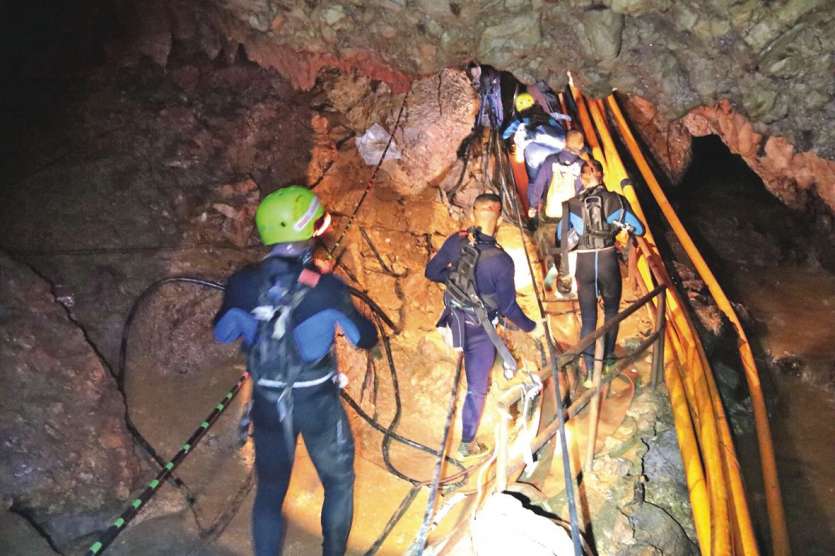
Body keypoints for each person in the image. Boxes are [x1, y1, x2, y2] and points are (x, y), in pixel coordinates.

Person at [213, 186, 378, 556]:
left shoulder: (242, 281)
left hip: (269, 401)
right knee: (338, 482)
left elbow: (223, 333)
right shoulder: (326, 288)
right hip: (317, 401)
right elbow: (363, 338)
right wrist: (334, 298)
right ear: (307, 230)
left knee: (270, 491)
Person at [425, 193, 540, 457]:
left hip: (452, 321)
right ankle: (467, 444)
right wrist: (531, 327)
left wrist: (455, 281)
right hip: (480, 331)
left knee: (475, 354)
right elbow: (509, 307)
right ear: (498, 217)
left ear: (473, 213)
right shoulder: (502, 260)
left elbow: (432, 272)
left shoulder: (456, 241)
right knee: (477, 388)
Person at [556, 160, 644, 383]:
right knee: (611, 312)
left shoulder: (570, 204)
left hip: (584, 266)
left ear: (582, 177)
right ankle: (607, 360)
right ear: (602, 175)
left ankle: (588, 370)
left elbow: (560, 236)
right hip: (607, 262)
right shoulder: (616, 200)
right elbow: (639, 228)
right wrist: (617, 225)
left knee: (588, 319)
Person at [526, 130, 589, 289]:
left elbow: (539, 184)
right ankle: (565, 281)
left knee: (548, 242)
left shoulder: (550, 161)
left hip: (550, 212)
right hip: (570, 214)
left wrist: (533, 205)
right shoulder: (582, 166)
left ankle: (550, 271)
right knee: (567, 246)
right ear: (581, 146)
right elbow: (585, 191)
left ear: (564, 143)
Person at [502, 92, 571, 183]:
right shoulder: (545, 115)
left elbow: (505, 134)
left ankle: (536, 185)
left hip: (536, 153)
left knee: (534, 175)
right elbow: (557, 125)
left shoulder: (519, 119)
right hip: (557, 146)